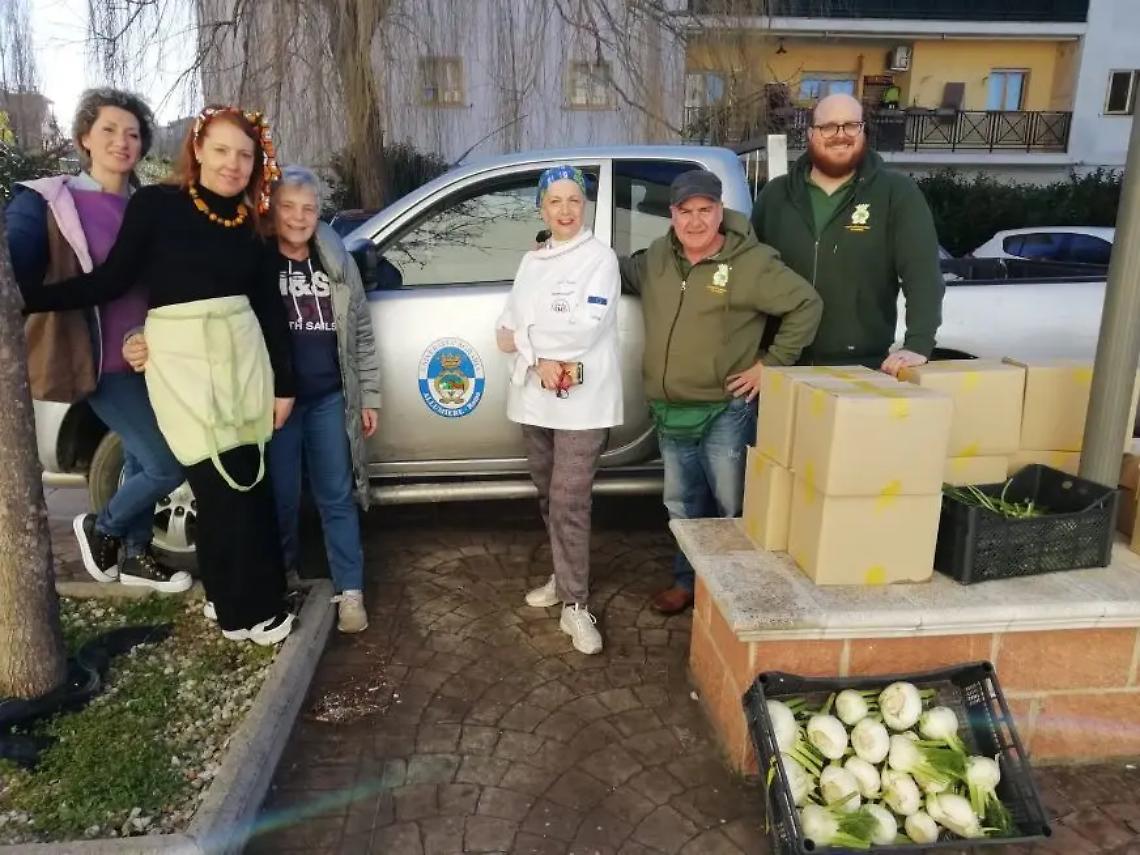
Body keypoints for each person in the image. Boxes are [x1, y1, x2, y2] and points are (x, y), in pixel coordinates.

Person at [16, 105, 297, 646]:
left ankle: (227, 598)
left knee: (247, 477)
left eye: (245, 154)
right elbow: (113, 280)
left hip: (242, 364)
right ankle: (249, 612)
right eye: (220, 150)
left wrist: (284, 385)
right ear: (196, 150)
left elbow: (268, 309)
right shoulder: (158, 205)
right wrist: (33, 300)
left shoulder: (250, 222)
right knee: (219, 484)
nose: (232, 164)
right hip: (183, 365)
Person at [127, 165, 382, 633]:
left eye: (308, 208)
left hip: (328, 399)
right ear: (271, 209)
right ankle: (280, 583)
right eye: (288, 206)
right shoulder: (251, 256)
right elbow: (199, 310)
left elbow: (360, 332)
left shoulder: (334, 256)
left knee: (336, 496)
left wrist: (370, 396)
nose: (299, 217)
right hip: (268, 402)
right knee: (277, 500)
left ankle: (350, 590)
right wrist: (146, 338)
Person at [5, 88, 190, 593]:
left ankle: (134, 554)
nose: (121, 142)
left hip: (152, 358)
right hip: (99, 360)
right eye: (108, 130)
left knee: (136, 459)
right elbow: (22, 265)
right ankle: (102, 526)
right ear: (84, 137)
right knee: (166, 461)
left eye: (132, 133)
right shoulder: (52, 201)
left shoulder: (148, 205)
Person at [621, 169, 823, 615]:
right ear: (672, 215)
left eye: (705, 211)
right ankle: (686, 582)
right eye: (685, 212)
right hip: (670, 411)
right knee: (682, 504)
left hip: (724, 412)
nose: (695, 222)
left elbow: (806, 304)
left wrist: (771, 365)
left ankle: (733, 595)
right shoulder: (656, 258)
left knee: (732, 508)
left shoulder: (751, 263)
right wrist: (555, 254)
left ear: (719, 211)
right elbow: (614, 272)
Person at [495, 166, 622, 654]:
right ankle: (561, 572)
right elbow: (505, 328)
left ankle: (576, 604)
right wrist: (536, 354)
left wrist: (530, 346)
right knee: (548, 494)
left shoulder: (599, 259)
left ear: (584, 204)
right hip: (534, 397)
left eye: (574, 200)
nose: (565, 210)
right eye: (555, 201)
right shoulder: (534, 260)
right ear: (541, 208)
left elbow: (584, 329)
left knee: (570, 499)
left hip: (582, 404)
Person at [751, 92, 944, 376]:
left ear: (863, 129)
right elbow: (749, 274)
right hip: (781, 365)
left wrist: (919, 343)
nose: (840, 135)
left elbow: (922, 273)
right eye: (828, 126)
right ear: (810, 133)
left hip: (859, 367)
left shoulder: (896, 194)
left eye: (850, 125)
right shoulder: (775, 195)